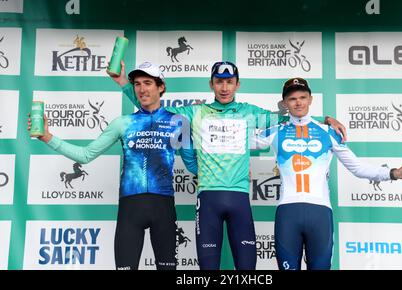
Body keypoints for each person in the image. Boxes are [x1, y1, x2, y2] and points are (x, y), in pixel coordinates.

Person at [112, 60, 347, 270]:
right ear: (211, 84)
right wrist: (124, 83)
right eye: (219, 82)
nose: (224, 88)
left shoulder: (250, 113)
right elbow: (152, 105)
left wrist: (325, 120)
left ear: (237, 84)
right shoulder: (195, 112)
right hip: (208, 199)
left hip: (240, 199)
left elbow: (293, 119)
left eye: (229, 82)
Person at [28, 62, 197, 270]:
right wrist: (47, 137)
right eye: (137, 84)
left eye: (148, 83)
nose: (142, 89)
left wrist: (232, 170)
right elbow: (86, 155)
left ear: (161, 87)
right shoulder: (122, 123)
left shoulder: (178, 122)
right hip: (130, 209)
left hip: (163, 207)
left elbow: (192, 164)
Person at [253, 77, 402, 270]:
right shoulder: (275, 131)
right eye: (292, 98)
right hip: (288, 212)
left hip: (320, 213)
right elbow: (238, 139)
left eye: (303, 97)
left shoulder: (329, 132)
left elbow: (357, 167)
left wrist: (393, 173)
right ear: (285, 103)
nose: (298, 102)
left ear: (310, 99)